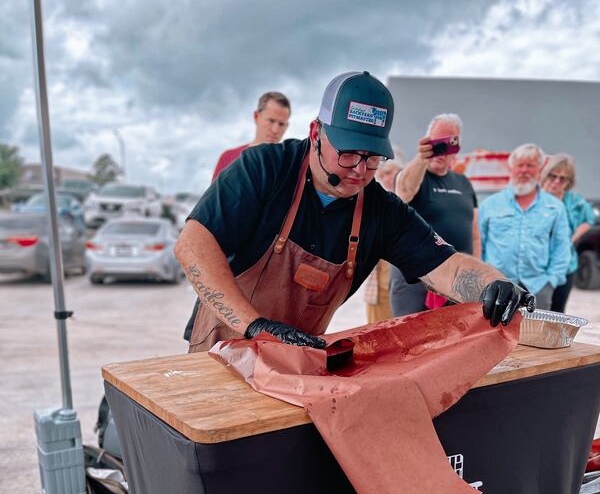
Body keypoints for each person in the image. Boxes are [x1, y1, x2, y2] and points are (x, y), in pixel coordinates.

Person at [176, 71, 533, 354]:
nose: (359, 170)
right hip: (224, 343)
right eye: (348, 153)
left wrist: (494, 285)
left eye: (373, 157)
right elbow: (193, 245)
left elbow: (446, 266)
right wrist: (255, 326)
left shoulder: (380, 210)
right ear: (316, 132)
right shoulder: (264, 168)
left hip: (296, 358)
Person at [389, 113, 480, 316]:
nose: (440, 151)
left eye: (447, 144)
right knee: (411, 344)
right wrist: (422, 158)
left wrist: (476, 275)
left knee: (455, 343)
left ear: (456, 147)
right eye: (435, 143)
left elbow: (474, 233)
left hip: (457, 283)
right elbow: (403, 191)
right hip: (415, 284)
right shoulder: (413, 175)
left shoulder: (464, 183)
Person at [479, 143, 571, 310]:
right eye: (519, 165)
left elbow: (562, 248)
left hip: (538, 287)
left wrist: (551, 281)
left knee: (535, 335)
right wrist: (485, 279)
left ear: (540, 169)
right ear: (511, 168)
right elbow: (479, 245)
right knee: (495, 334)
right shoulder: (490, 205)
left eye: (530, 165)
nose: (524, 170)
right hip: (497, 286)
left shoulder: (555, 207)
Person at [541, 154, 596, 313]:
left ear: (569, 182)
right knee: (534, 311)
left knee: (557, 312)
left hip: (566, 265)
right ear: (545, 175)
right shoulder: (535, 198)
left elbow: (589, 219)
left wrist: (573, 237)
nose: (557, 181)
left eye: (563, 178)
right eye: (553, 176)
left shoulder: (574, 200)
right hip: (537, 267)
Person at [211, 91, 291, 181]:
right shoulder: (228, 158)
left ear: (286, 126)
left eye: (281, 124)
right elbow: (214, 195)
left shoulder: (290, 166)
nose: (275, 130)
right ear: (256, 116)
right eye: (271, 121)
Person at [363, 151, 403, 323]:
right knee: (375, 331)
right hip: (378, 284)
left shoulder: (408, 201)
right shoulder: (376, 202)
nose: (387, 178)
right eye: (383, 174)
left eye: (390, 172)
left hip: (402, 283)